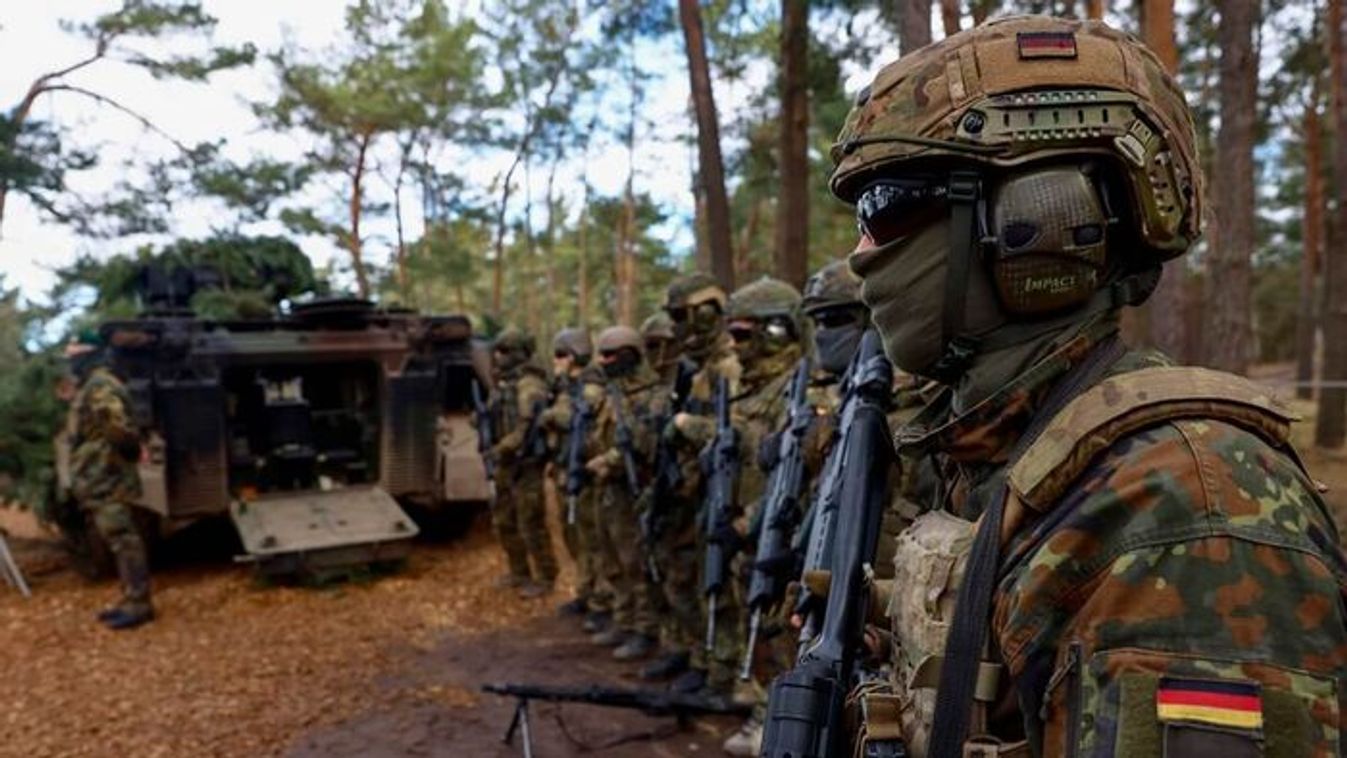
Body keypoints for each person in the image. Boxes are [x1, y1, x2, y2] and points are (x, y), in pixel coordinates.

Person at [827, 15, 1347, 758]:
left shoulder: (1181, 508)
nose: (860, 253)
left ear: (1041, 219)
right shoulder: (1001, 446)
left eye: (884, 208)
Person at [639, 272, 742, 693]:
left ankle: (722, 670)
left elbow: (736, 432)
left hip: (723, 493)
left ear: (706, 312)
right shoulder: (697, 368)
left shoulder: (729, 365)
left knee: (718, 584)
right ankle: (699, 655)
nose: (678, 326)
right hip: (693, 490)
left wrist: (685, 425)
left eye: (682, 315)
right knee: (689, 577)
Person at [62, 333, 154, 630]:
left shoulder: (100, 385)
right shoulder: (92, 385)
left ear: (90, 354)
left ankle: (139, 603)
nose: (72, 360)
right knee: (117, 539)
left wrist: (130, 453)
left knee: (123, 538)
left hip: (107, 476)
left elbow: (118, 429)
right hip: (98, 476)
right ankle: (130, 598)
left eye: (76, 354)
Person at [586, 326, 664, 661]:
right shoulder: (613, 392)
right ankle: (623, 618)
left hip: (635, 488)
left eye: (609, 355)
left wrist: (609, 461)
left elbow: (644, 442)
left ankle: (645, 628)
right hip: (609, 489)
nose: (603, 362)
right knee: (612, 559)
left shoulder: (653, 395)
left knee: (636, 562)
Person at [540, 327, 612, 620]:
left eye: (560, 355)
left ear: (572, 357)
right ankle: (586, 592)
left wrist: (549, 415)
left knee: (593, 540)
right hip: (567, 468)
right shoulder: (567, 387)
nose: (555, 361)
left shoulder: (591, 387)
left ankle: (602, 600)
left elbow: (571, 419)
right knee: (574, 537)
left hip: (587, 473)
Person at [486, 327, 558, 599]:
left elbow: (526, 428)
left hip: (526, 462)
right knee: (504, 520)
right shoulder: (505, 384)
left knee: (531, 521)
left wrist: (502, 447)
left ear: (519, 353)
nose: (498, 356)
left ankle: (546, 576)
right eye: (497, 351)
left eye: (505, 351)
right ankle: (519, 571)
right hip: (506, 462)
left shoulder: (530, 385)